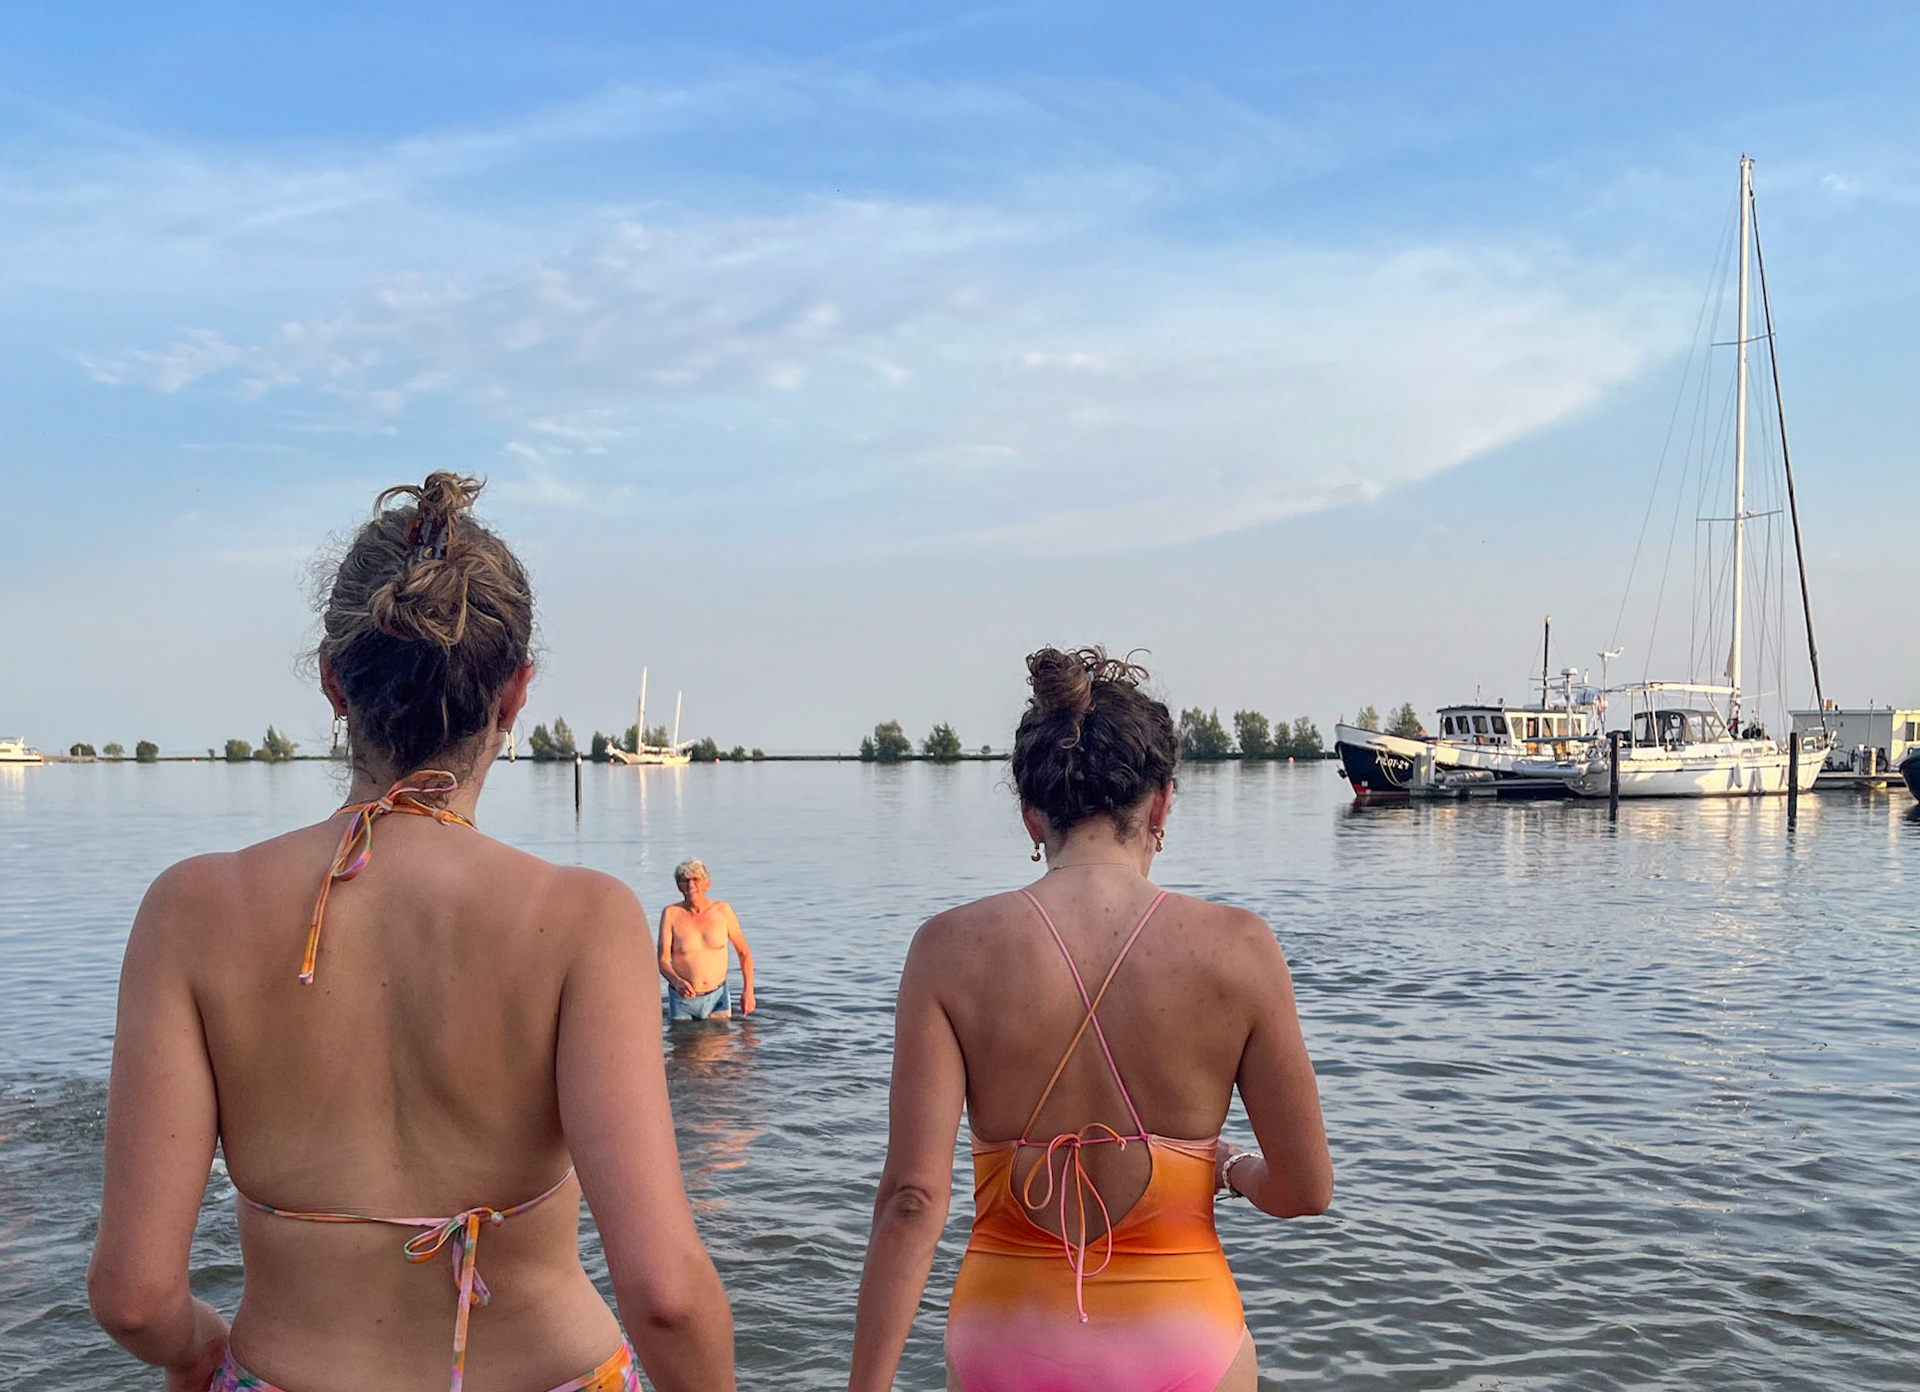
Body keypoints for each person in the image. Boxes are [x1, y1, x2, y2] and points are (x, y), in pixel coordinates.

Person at [89, 473, 736, 1392]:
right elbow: (666, 1295)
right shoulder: (584, 919)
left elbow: (133, 1299)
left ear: (333, 683)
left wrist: (198, 1349)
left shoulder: (189, 912)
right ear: (514, 696)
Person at [848, 647, 1333, 1392]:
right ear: (1162, 804)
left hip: (1003, 1343)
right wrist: (1227, 1168)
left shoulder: (947, 949)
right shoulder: (1239, 947)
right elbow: (1306, 1190)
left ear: (1031, 817)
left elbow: (913, 1201)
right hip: (1184, 1342)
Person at [657, 860, 756, 1022]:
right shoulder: (671, 914)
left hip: (718, 997)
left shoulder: (722, 911)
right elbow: (662, 961)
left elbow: (743, 952)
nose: (690, 885)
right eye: (685, 880)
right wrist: (677, 982)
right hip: (683, 999)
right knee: (683, 1039)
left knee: (721, 1038)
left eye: (695, 879)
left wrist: (748, 992)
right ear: (679, 886)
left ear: (707, 884)